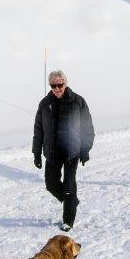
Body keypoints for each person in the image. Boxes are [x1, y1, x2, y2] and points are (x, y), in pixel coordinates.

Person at [33, 69, 94, 229]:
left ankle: (68, 220)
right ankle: (72, 202)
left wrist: (85, 150)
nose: (57, 89)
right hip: (52, 151)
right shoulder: (45, 103)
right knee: (51, 184)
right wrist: (36, 152)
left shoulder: (78, 101)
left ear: (65, 83)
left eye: (60, 85)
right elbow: (38, 129)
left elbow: (87, 128)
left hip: (71, 151)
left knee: (69, 186)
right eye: (53, 85)